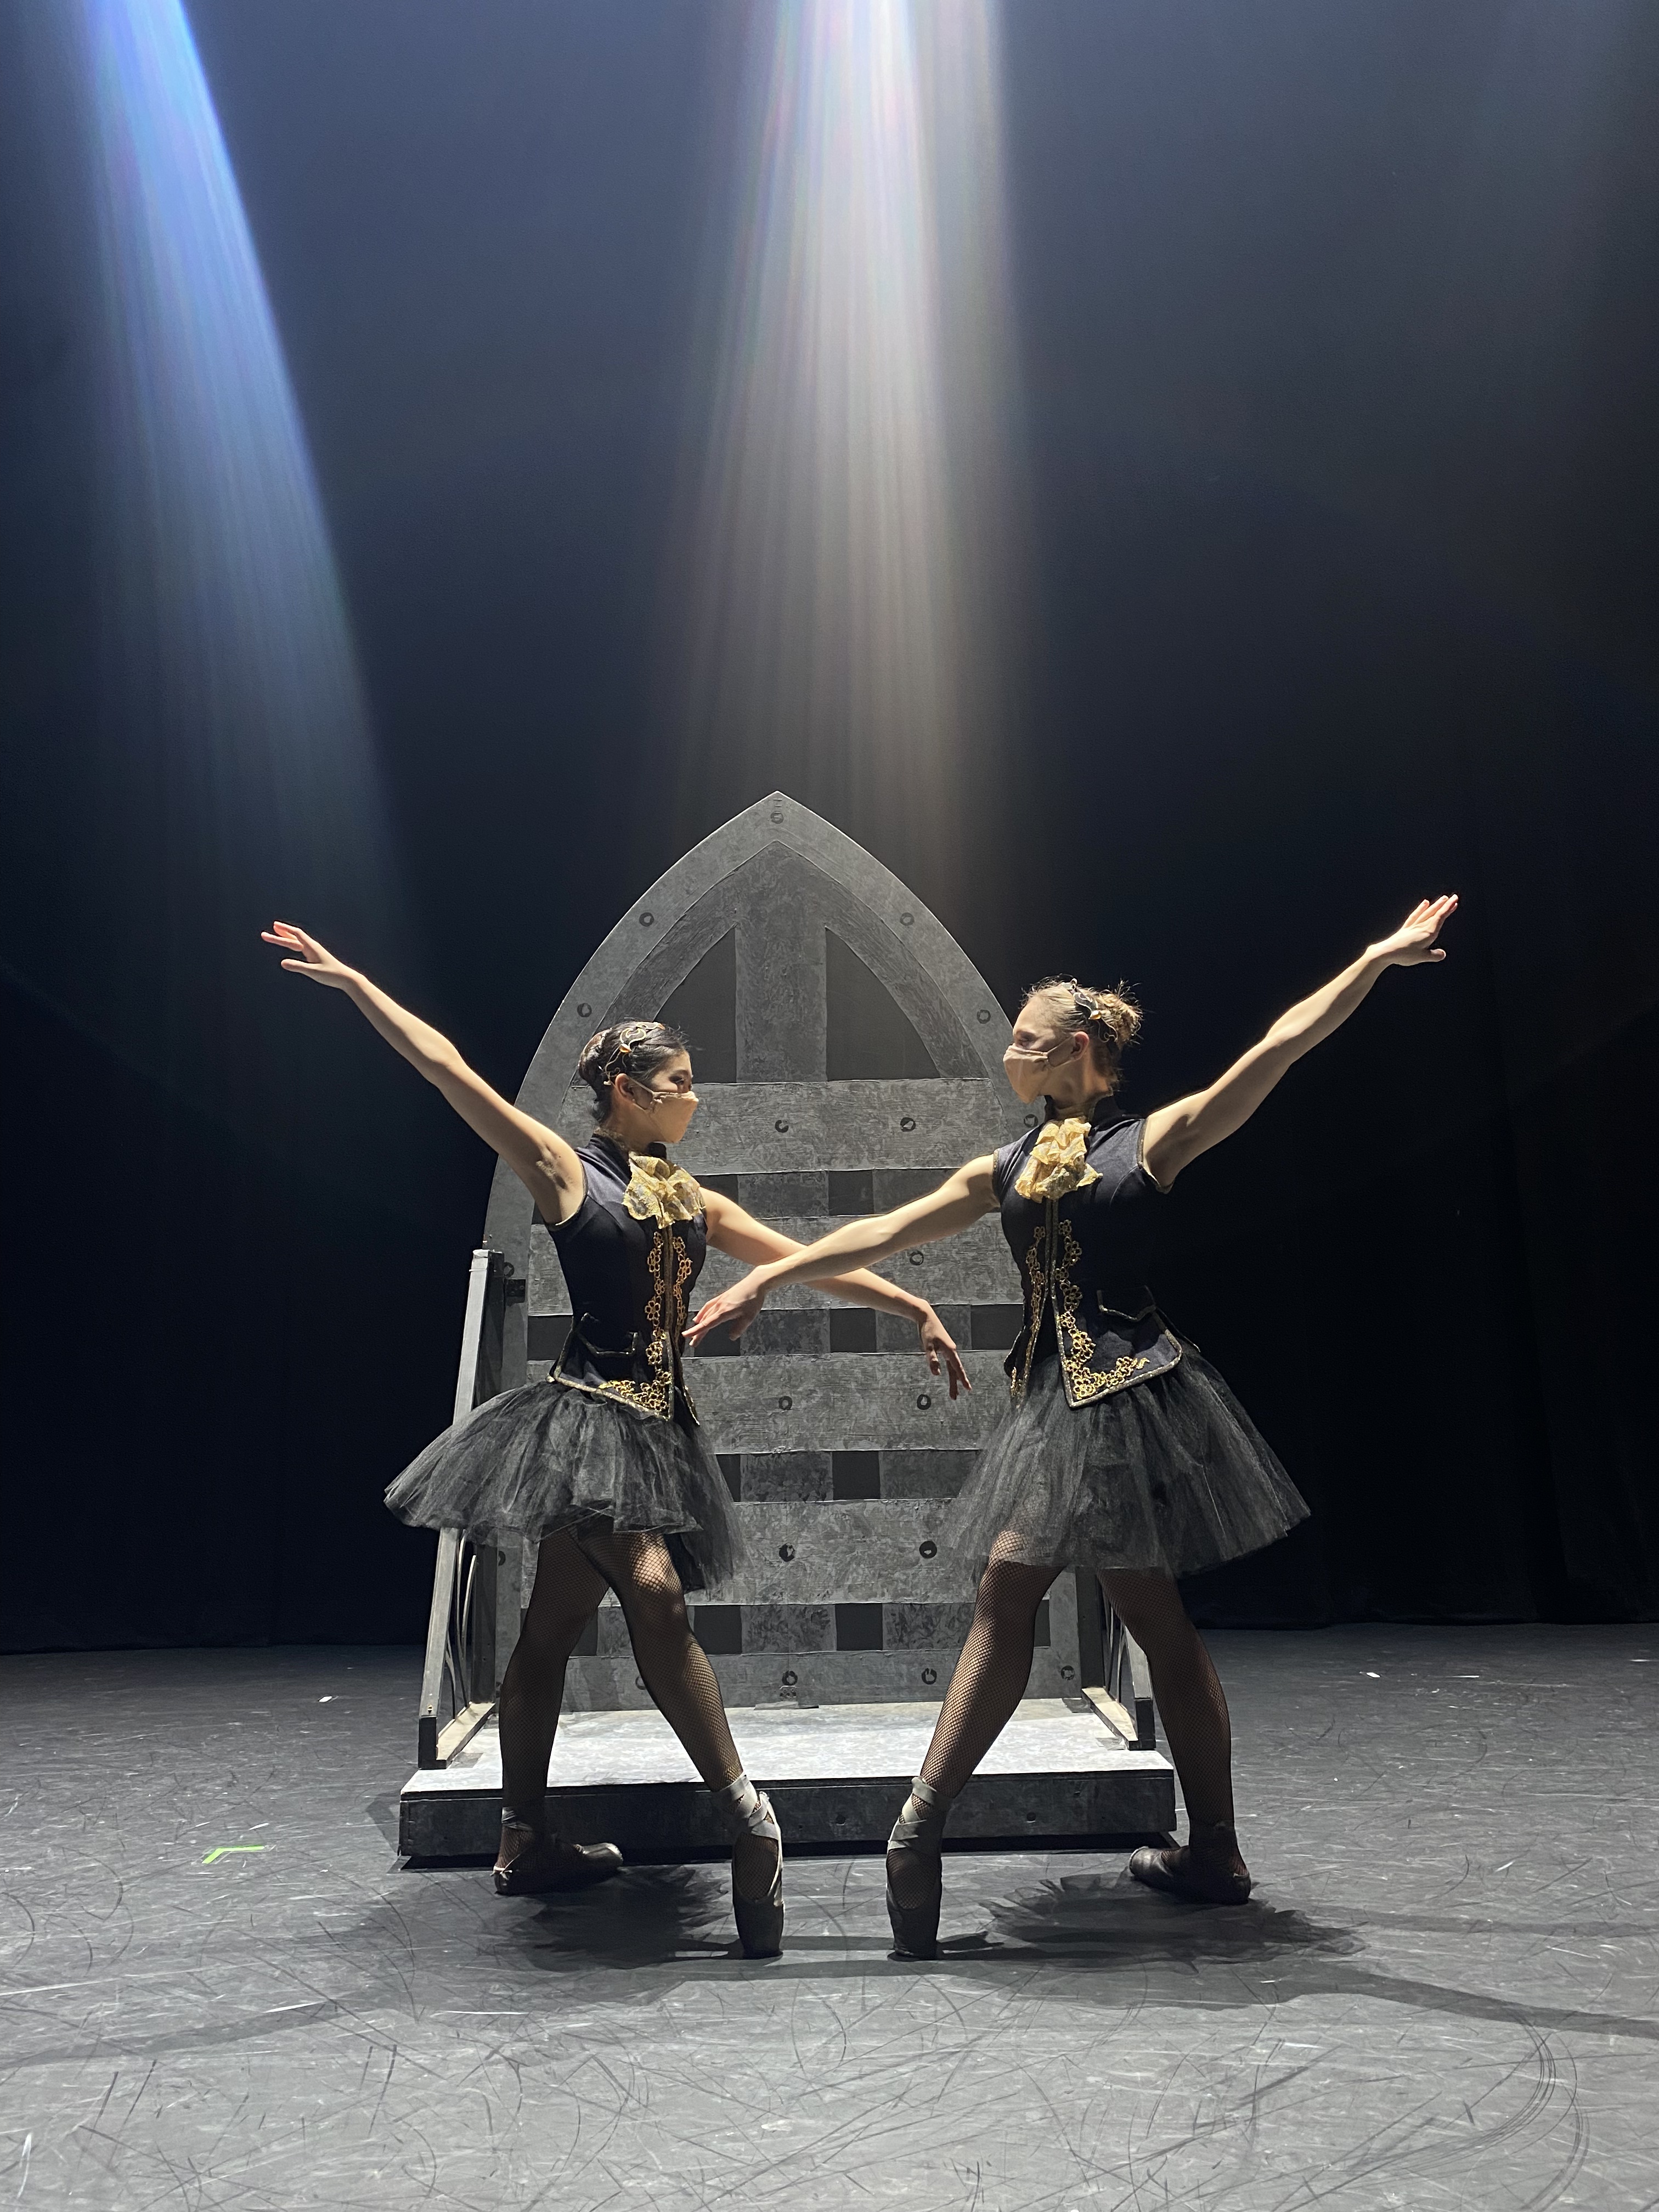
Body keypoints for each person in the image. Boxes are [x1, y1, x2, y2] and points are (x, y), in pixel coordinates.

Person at [686, 896, 1459, 1956]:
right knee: (1143, 1619)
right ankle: (1204, 1850)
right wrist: (768, 1277)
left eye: (1025, 1038)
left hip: (1126, 1402)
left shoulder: (1151, 1145)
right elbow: (886, 1229)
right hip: (1058, 1407)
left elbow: (1277, 1049)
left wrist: (1372, 959)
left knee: (1025, 1597)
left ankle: (926, 1827)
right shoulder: (1003, 1170)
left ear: (1076, 1048)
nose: (1010, 1052)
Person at [263, 920, 968, 1957]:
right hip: (587, 1423)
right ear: (630, 1092)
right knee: (655, 1593)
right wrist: (360, 985)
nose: (695, 1099)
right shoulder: (566, 1172)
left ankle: (524, 1835)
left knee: (550, 1630)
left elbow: (803, 1258)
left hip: (658, 1429)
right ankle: (747, 1817)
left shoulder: (689, 1198)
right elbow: (450, 1069)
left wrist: (911, 1305)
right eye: (680, 1084)